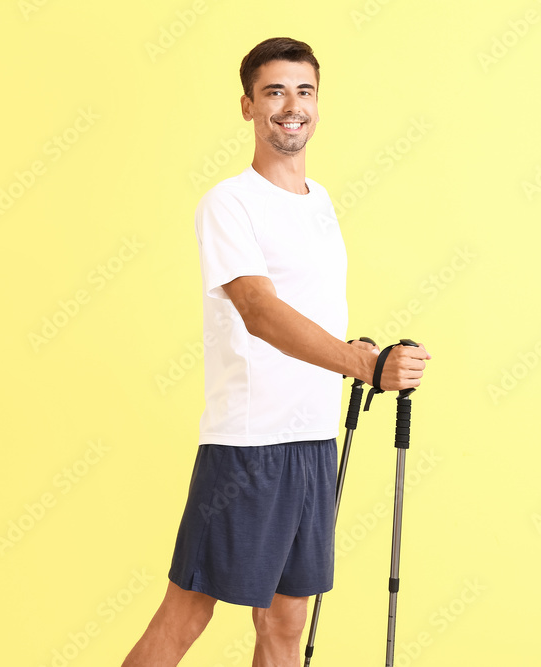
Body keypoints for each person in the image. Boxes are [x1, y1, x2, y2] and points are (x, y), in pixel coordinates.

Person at [121, 36, 430, 667]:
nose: (291, 105)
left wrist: (354, 349)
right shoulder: (229, 203)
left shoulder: (322, 203)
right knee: (187, 614)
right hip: (248, 445)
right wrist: (365, 366)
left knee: (285, 627)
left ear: (318, 103)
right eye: (274, 92)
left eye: (304, 91)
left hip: (313, 438)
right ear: (247, 106)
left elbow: (307, 308)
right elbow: (259, 312)